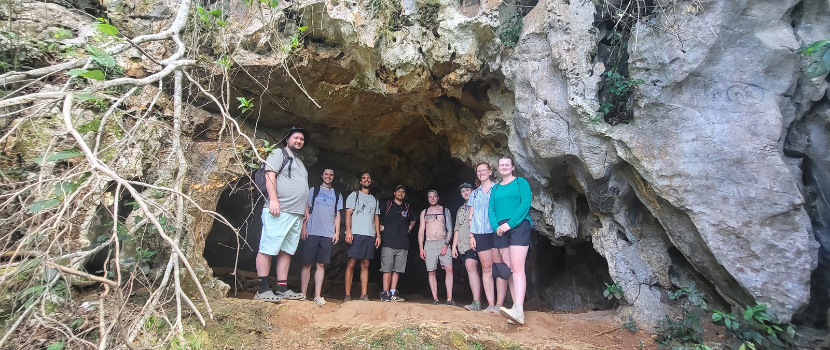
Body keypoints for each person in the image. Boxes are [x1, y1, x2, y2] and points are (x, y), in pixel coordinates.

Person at [254, 127, 309, 303]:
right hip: (279, 209)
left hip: (296, 213)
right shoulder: (278, 153)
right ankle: (262, 290)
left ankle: (282, 289)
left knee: (287, 251)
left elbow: (302, 186)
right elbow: (270, 175)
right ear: (288, 139)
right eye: (295, 138)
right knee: (268, 247)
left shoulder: (300, 161)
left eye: (301, 139)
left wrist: (305, 207)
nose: (299, 141)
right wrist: (273, 200)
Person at [489, 156, 533, 325]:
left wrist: (510, 224)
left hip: (518, 225)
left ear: (513, 167)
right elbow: (491, 209)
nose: (505, 167)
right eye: (502, 165)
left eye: (507, 164)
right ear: (498, 168)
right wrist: (496, 227)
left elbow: (525, 204)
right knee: (507, 270)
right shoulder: (496, 188)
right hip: (500, 229)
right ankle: (515, 309)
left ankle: (519, 309)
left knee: (517, 267)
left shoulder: (521, 183)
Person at [300, 168, 343, 307]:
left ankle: (317, 296)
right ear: (322, 176)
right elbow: (306, 209)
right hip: (312, 231)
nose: (328, 177)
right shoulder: (313, 190)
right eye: (326, 174)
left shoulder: (337, 195)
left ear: (333, 177)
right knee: (307, 263)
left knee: (321, 264)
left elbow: (338, 214)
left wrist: (336, 232)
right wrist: (304, 227)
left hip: (327, 233)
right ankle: (303, 294)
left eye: (331, 175)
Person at [467, 162, 501, 314]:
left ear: (490, 171)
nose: (481, 173)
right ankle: (491, 304)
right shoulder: (474, 193)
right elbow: (471, 216)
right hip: (480, 233)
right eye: (479, 171)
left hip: (496, 232)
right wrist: (471, 235)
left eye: (484, 170)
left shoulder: (498, 189)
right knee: (486, 268)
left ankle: (500, 304)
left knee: (499, 267)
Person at [344, 172, 381, 301]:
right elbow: (348, 213)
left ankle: (363, 295)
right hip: (356, 233)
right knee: (352, 263)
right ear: (360, 182)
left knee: (365, 264)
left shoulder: (374, 200)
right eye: (364, 178)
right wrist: (348, 231)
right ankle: (347, 295)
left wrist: (378, 235)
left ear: (371, 181)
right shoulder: (354, 195)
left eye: (368, 178)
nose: (366, 180)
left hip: (370, 235)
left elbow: (376, 217)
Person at [418, 190, 456, 306]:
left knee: (449, 268)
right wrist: (421, 248)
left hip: (442, 241)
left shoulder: (445, 211)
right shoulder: (424, 213)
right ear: (428, 199)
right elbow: (421, 231)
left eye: (434, 196)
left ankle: (449, 298)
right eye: (430, 197)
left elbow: (450, 228)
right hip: (429, 243)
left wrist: (445, 244)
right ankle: (435, 299)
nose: (432, 198)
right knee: (431, 271)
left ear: (438, 197)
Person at [379, 185, 415, 302]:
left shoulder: (407, 207)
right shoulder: (388, 204)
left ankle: (393, 292)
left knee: (397, 269)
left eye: (403, 192)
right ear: (394, 193)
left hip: (402, 242)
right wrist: (380, 226)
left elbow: (414, 219)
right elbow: (377, 215)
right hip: (388, 241)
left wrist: (408, 229)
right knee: (387, 268)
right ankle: (385, 293)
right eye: (398, 191)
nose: (400, 193)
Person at [452, 182, 480, 311]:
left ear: (472, 190)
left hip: (475, 242)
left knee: (472, 267)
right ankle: (477, 300)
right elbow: (457, 228)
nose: (465, 193)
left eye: (467, 190)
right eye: (463, 191)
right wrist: (454, 246)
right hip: (463, 244)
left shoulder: (478, 203)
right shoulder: (460, 210)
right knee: (470, 269)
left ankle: (478, 301)